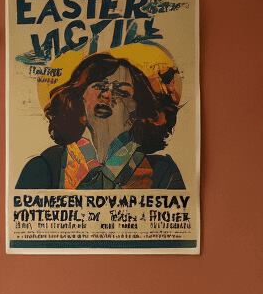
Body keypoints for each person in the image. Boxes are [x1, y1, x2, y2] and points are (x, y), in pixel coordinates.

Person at [16, 52, 185, 190]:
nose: (107, 95)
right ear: (78, 99)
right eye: (99, 86)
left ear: (138, 110)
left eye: (121, 90)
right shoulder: (44, 168)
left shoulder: (164, 173)